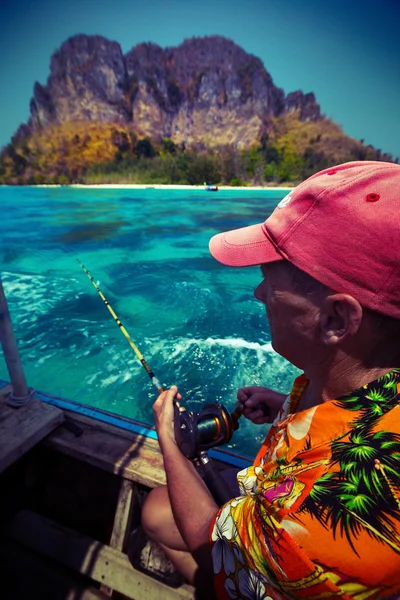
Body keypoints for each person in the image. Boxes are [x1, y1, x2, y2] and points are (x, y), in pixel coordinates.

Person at [142, 161, 400, 600]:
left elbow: (215, 549)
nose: (259, 294)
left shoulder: (333, 511)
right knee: (156, 510)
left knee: (162, 520)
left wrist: (168, 438)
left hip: (276, 562)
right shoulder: (357, 374)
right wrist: (287, 406)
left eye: (267, 279)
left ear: (336, 318)